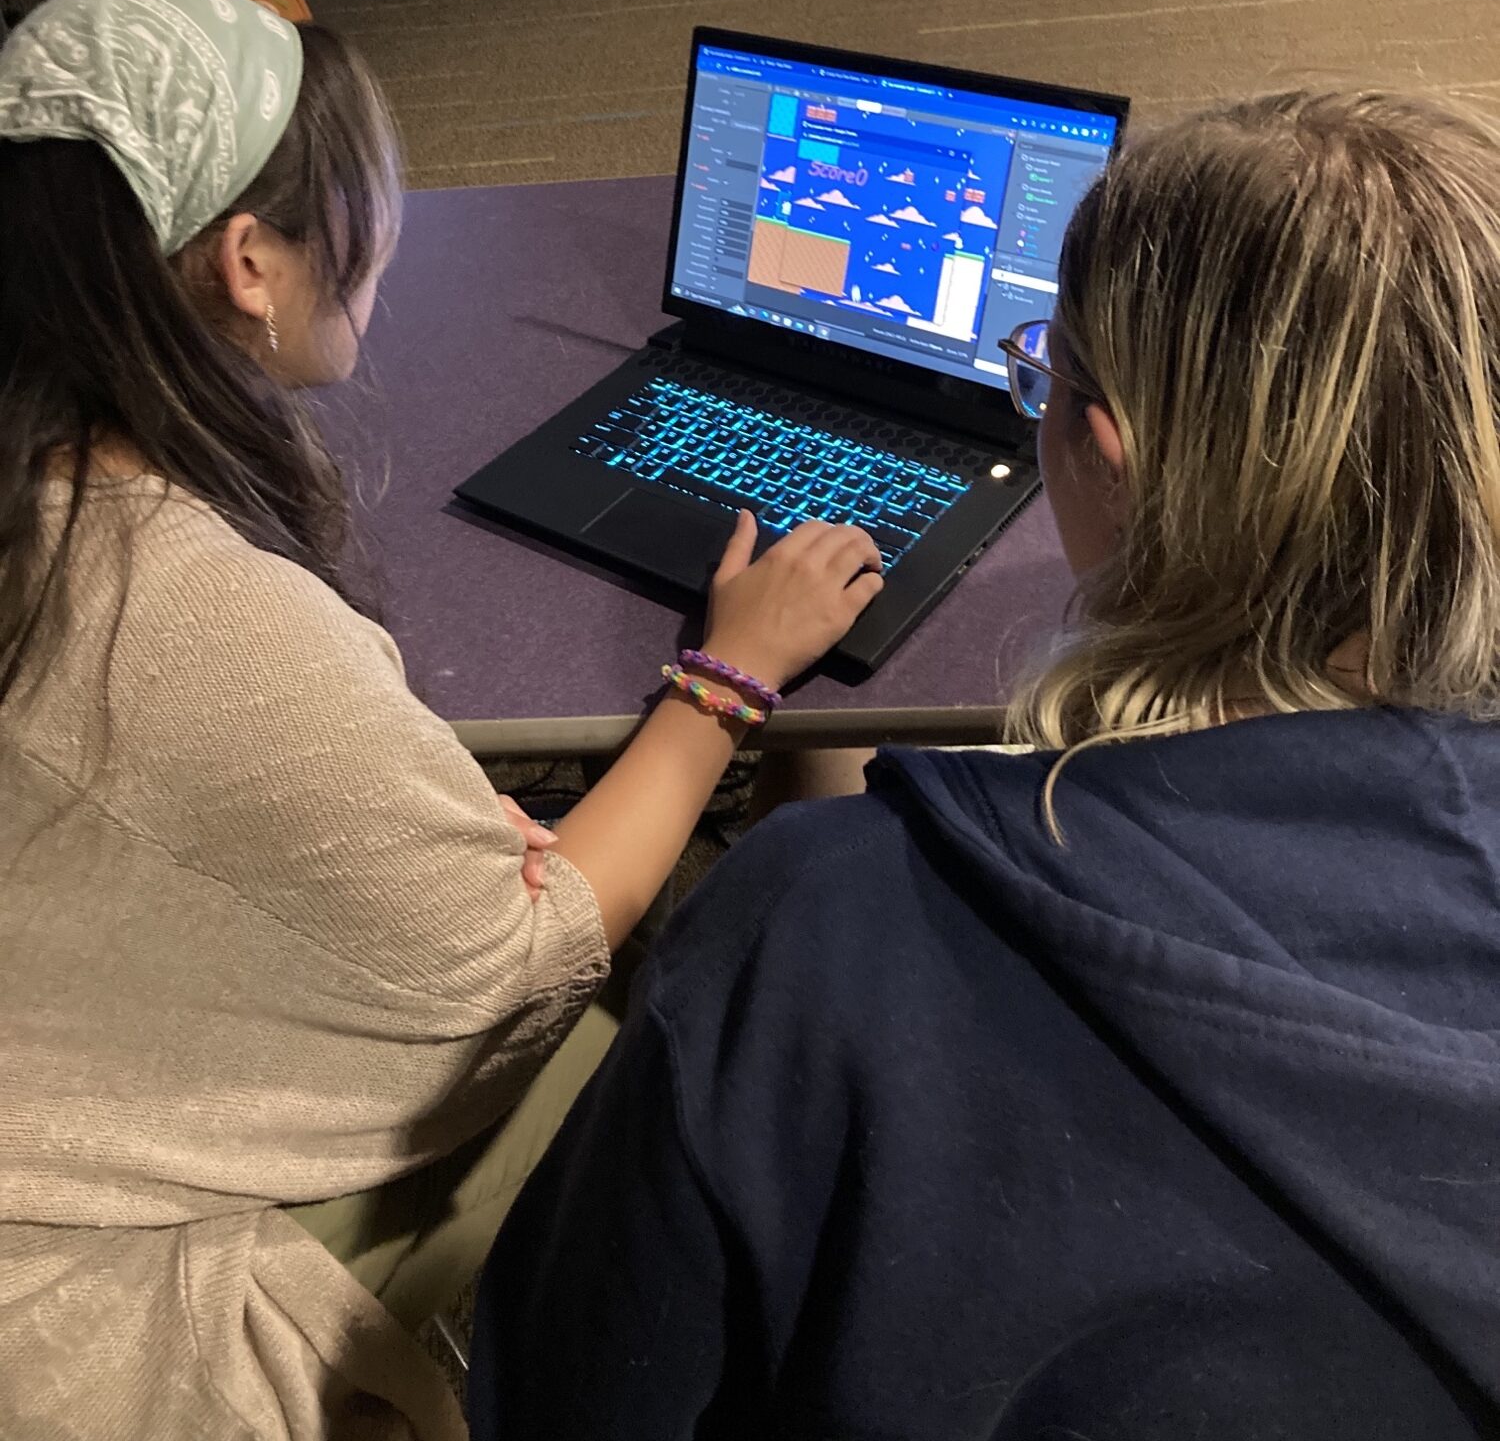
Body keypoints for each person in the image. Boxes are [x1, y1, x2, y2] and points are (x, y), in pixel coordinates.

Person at [470, 88, 1500, 1441]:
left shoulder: (812, 928)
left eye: (1041, 376)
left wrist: (756, 707)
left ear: (1108, 451)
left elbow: (560, 1394)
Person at [0, 0, 881, 1441]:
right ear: (246, 264)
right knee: (698, 1045)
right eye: (354, 215)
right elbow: (521, 956)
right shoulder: (189, 613)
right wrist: (735, 681)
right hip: (85, 1281)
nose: (383, 248)